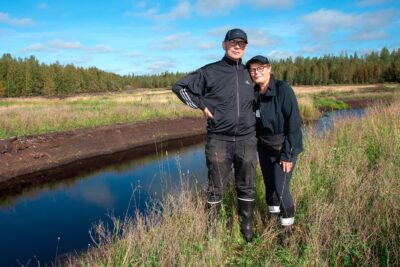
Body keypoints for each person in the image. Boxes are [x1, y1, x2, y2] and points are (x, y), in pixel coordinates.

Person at [172, 28, 257, 242]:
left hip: (247, 139)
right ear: (224, 44)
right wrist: (201, 105)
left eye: (242, 44)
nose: (238, 46)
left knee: (246, 184)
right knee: (216, 186)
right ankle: (212, 230)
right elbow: (180, 87)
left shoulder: (250, 73)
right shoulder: (210, 71)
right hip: (219, 139)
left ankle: (246, 228)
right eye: (233, 42)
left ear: (246, 47)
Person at [246, 55, 303, 232]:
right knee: (270, 188)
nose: (256, 73)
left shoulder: (283, 90)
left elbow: (294, 124)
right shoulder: (255, 93)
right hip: (264, 149)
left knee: (281, 188)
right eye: (253, 70)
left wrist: (287, 155)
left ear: (269, 69)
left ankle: (287, 231)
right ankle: (273, 222)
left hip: (284, 149)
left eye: (260, 68)